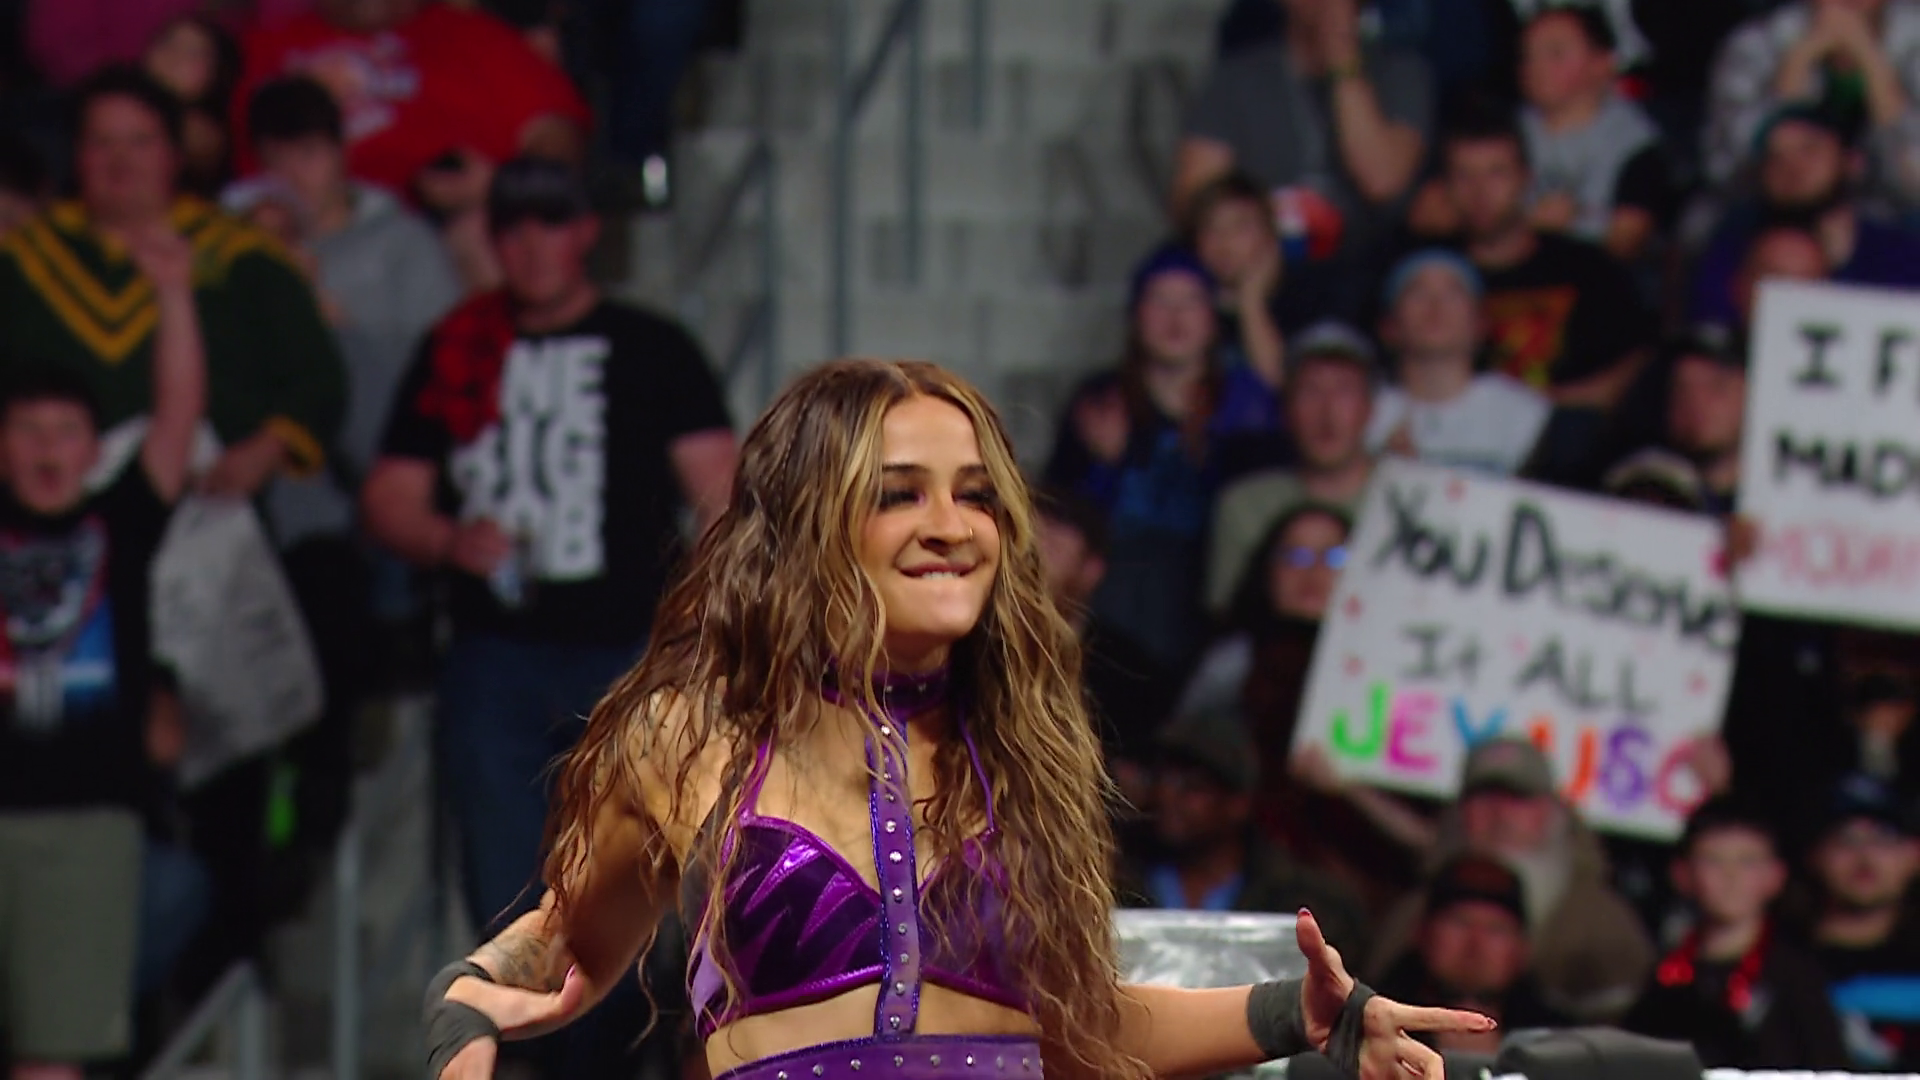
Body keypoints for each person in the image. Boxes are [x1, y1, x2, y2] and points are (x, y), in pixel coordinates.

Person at [420, 357, 1493, 1080]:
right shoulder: (692, 738)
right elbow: (562, 949)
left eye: (975, 493)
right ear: (810, 525)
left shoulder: (1022, 758)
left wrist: (1299, 1016)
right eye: (900, 493)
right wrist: (466, 1001)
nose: (952, 526)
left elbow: (1078, 1028)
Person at [362, 156, 736, 944]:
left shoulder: (652, 348)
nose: (533, 248)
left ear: (586, 233)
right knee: (505, 889)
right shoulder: (459, 345)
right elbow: (391, 494)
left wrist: (701, 635)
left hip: (629, 651)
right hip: (495, 653)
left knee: (630, 886)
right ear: (494, 240)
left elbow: (723, 502)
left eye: (552, 225)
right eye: (514, 230)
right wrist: (447, 539)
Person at [0, 219, 205, 1080]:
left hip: (87, 824)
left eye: (66, 431)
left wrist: (172, 291)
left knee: (56, 1053)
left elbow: (178, 416)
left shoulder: (120, 523)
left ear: (93, 448)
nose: (48, 447)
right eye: (27, 429)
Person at [0, 66, 346, 501]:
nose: (121, 161)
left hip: (210, 500)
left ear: (175, 155)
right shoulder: (21, 259)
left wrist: (264, 451)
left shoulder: (245, 258)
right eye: (101, 143)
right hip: (38, 506)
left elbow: (317, 379)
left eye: (140, 142)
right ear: (76, 154)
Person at [233, 0, 593, 292]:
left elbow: (556, 135)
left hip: (442, 236)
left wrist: (500, 187)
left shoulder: (474, 38)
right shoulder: (267, 46)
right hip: (305, 232)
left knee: (480, 232)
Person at [1176, 0, 1435, 320]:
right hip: (1264, 270)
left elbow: (1380, 180)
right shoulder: (1235, 80)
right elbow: (1197, 201)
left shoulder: (1400, 72)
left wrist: (1344, 66)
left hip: (1370, 277)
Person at [1366, 736, 1655, 1023]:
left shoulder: (1604, 923)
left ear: (1550, 811)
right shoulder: (1413, 913)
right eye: (1483, 798)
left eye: (1517, 799)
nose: (1499, 814)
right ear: (1461, 811)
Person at [1043, 246, 1231, 669]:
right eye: (1160, 301)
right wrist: (1104, 465)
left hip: (1207, 602)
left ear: (1212, 317)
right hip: (1118, 606)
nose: (1175, 317)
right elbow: (1063, 515)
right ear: (1136, 316)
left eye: (1190, 301)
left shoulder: (1241, 404)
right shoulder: (1102, 401)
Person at [1427, 107, 1656, 412]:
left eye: (1496, 173)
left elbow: (1635, 365)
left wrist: (1548, 408)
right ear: (1445, 186)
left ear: (1526, 179)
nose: (1480, 192)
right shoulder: (1425, 276)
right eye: (1464, 175)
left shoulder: (1587, 268)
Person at [1116, 701, 1369, 953]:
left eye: (1192, 786)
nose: (1166, 796)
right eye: (1159, 780)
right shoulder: (1119, 879)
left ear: (1237, 805)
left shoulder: (1296, 900)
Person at [1621, 798, 1847, 1069]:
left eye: (1747, 861)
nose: (1731, 875)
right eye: (1713, 860)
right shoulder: (1661, 974)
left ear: (1776, 876)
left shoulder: (1798, 978)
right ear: (1682, 874)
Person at [1690, 104, 1920, 329]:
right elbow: (1707, 332)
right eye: (1776, 156)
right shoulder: (1733, 247)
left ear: (1852, 162)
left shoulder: (1901, 256)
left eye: (1809, 149)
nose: (1792, 166)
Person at [1206, 322, 1377, 617]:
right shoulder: (1243, 506)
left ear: (1369, 408)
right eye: (1310, 391)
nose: (1327, 412)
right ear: (1286, 409)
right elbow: (1227, 617)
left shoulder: (1411, 501)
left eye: (1344, 391)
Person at [1032, 485, 1176, 825]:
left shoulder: (1131, 673)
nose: (1029, 556)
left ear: (1092, 569)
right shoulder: (965, 645)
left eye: (1050, 547)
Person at [1705, 0, 1920, 206]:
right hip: (1769, 214)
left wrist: (1873, 64)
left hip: (1890, 213)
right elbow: (1727, 167)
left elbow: (1915, 180)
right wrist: (1800, 62)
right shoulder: (1756, 43)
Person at [1364, 249, 1550, 476]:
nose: (1436, 307)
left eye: (1453, 293)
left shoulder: (1525, 412)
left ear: (1480, 324)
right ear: (1389, 327)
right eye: (1417, 293)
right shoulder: (1363, 414)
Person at [1514, 4, 1672, 261]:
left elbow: (1628, 239)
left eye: (1555, 54)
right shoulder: (1504, 133)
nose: (1536, 66)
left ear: (1602, 63)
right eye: (1527, 55)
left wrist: (1570, 226)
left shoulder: (1634, 144)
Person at [1373, 854, 1571, 1053]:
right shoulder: (1369, 1020)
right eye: (1460, 922)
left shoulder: (1561, 1042)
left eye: (1496, 929)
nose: (1476, 945)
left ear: (1522, 948)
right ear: (1421, 933)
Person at [1807, 773, 1920, 1071]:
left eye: (1883, 840)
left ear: (1914, 854)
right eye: (1846, 840)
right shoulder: (1772, 960)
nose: (1865, 856)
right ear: (1816, 855)